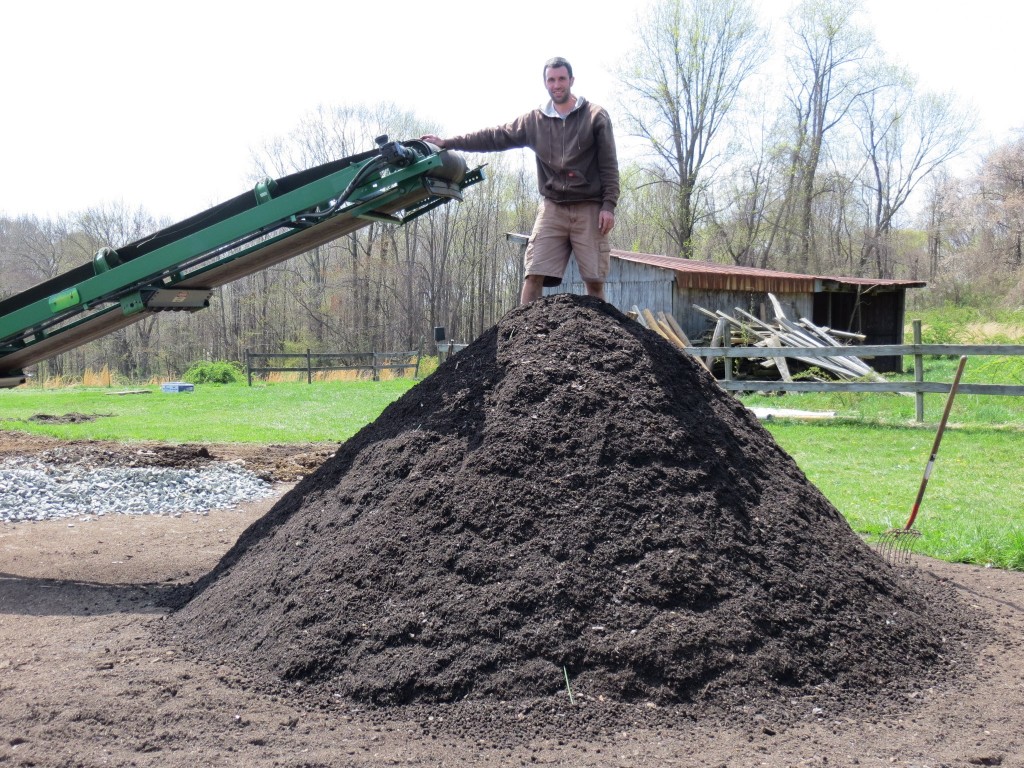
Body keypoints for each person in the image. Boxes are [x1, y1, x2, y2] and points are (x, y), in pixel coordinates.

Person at [422, 56, 619, 304]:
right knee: (533, 273)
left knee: (594, 279)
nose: (556, 85)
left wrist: (608, 205)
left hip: (589, 205)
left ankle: (600, 338)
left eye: (561, 79)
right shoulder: (534, 121)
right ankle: (520, 338)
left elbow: (609, 165)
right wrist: (448, 142)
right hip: (553, 206)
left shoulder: (595, 116)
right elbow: (494, 136)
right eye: (551, 80)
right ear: (545, 83)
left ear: (571, 80)